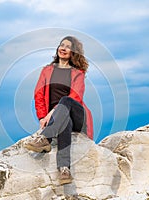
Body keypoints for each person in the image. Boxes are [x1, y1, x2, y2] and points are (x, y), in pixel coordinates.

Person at [24, 36, 93, 185]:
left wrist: (51, 113)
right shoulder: (47, 71)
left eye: (68, 46)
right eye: (62, 45)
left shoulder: (78, 73)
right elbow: (39, 94)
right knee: (64, 121)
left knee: (66, 100)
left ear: (73, 52)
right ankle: (64, 170)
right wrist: (42, 117)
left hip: (77, 116)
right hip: (61, 118)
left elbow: (76, 96)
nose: (63, 48)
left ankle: (45, 139)